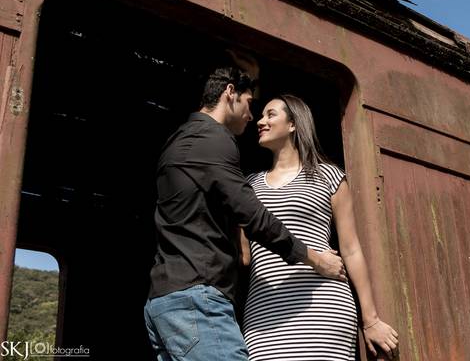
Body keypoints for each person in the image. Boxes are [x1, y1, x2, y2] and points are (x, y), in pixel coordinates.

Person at [144, 67, 347, 361]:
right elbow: (253, 217)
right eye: (250, 104)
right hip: (197, 301)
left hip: (162, 303)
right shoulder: (215, 140)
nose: (252, 117)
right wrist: (315, 258)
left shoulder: (175, 142)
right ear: (230, 93)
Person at [240, 94, 399, 360]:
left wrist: (370, 320)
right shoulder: (249, 185)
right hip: (263, 316)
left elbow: (350, 250)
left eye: (270, 115)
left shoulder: (329, 176)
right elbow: (243, 255)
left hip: (322, 311)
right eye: (261, 115)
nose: (260, 121)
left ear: (293, 124)